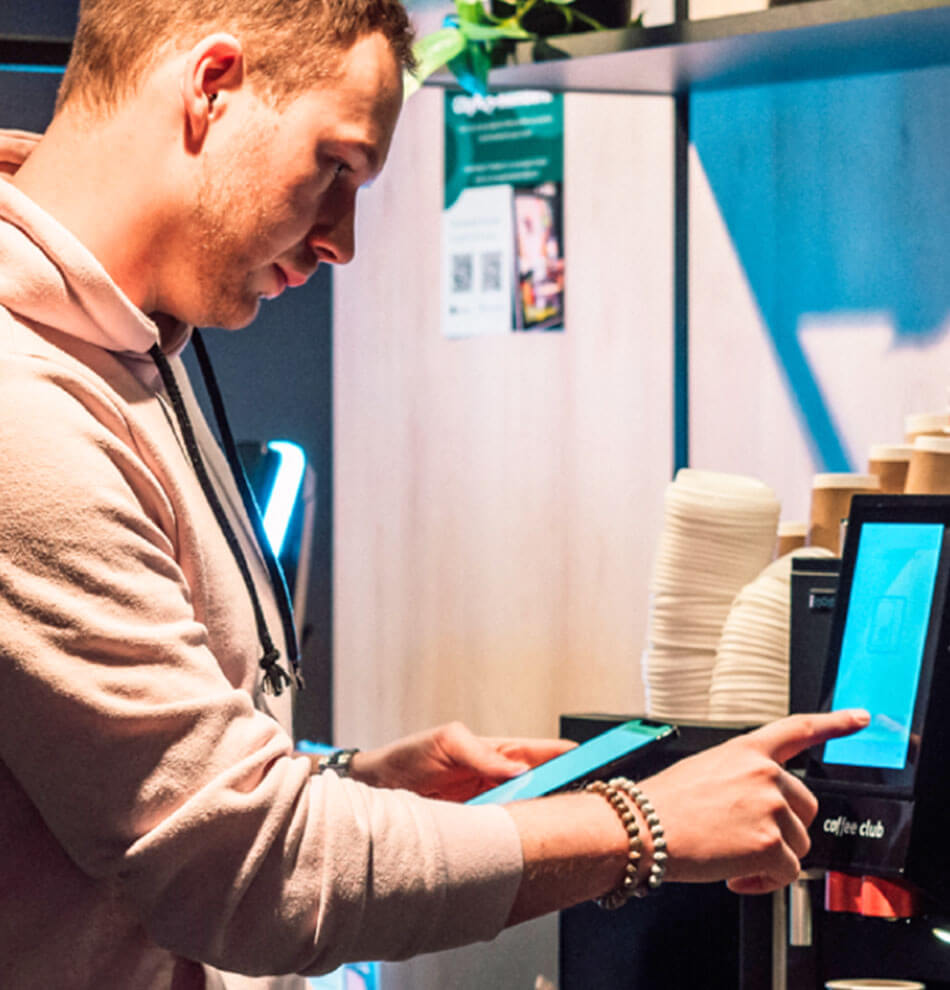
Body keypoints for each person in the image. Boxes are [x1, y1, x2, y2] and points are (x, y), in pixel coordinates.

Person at [0, 1, 868, 987]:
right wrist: (639, 827)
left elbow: (135, 811)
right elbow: (244, 873)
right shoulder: (23, 410)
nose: (342, 242)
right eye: (334, 167)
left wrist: (348, 786)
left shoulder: (125, 343)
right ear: (212, 87)